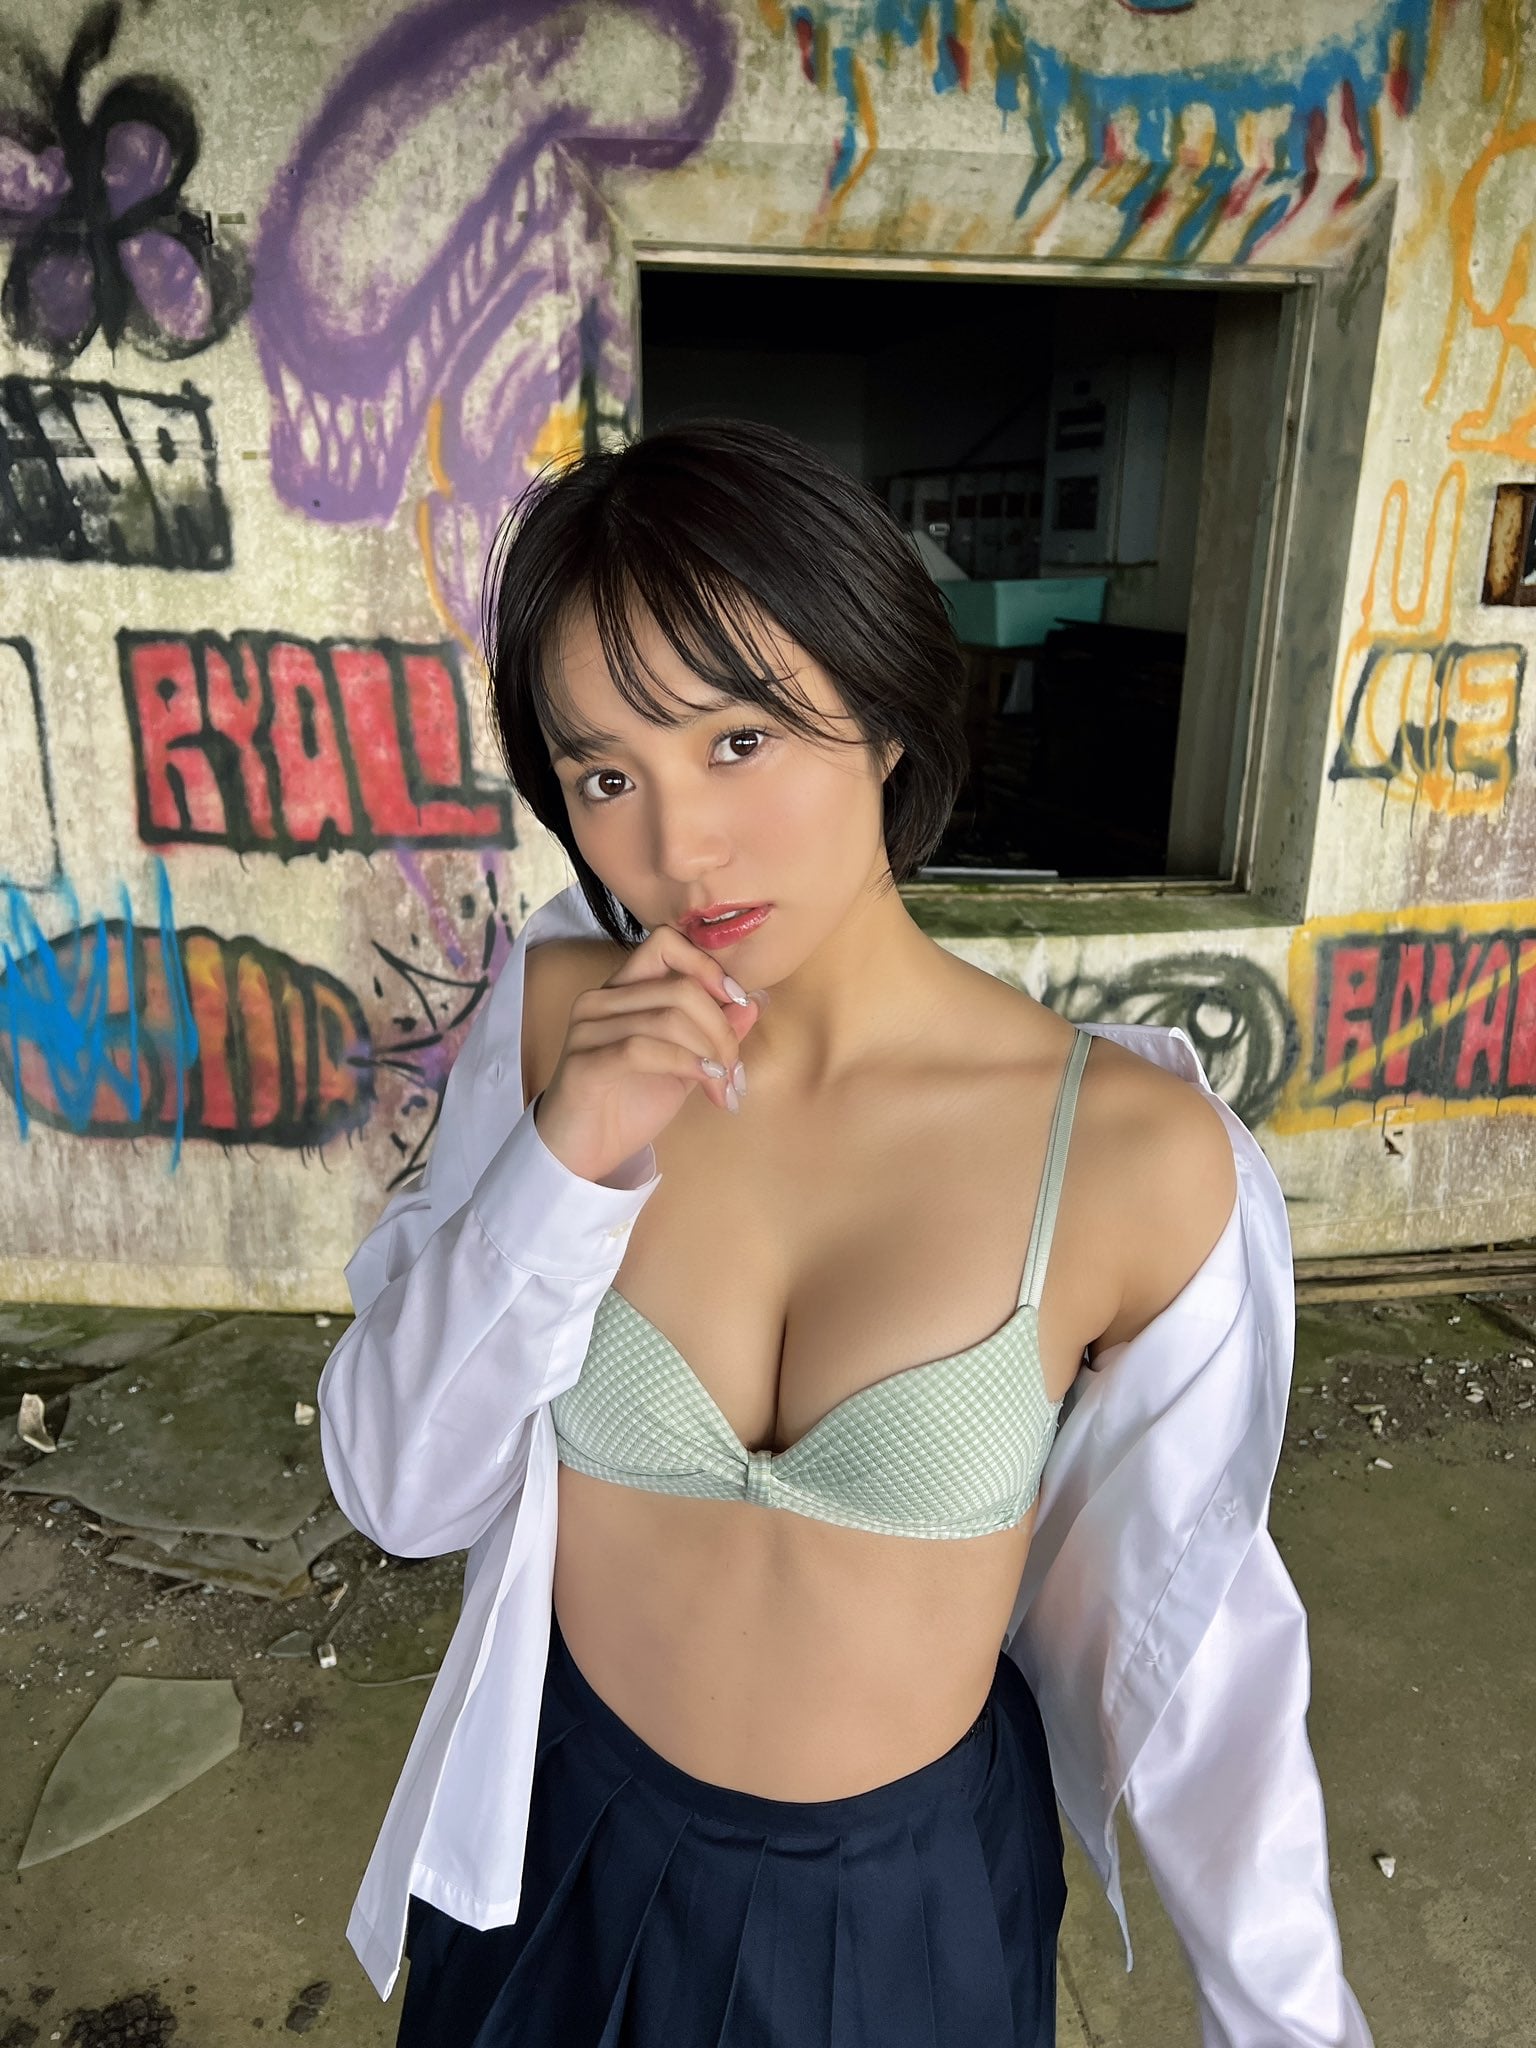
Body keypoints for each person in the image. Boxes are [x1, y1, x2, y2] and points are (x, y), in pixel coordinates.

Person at [317, 418, 1373, 2046]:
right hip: (552, 1860)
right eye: (606, 777)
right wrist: (567, 1160)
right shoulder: (556, 1025)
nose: (679, 850)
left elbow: (1201, 1664)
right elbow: (400, 1494)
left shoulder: (1135, 1159)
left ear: (883, 713)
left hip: (899, 1921)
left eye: (739, 739)